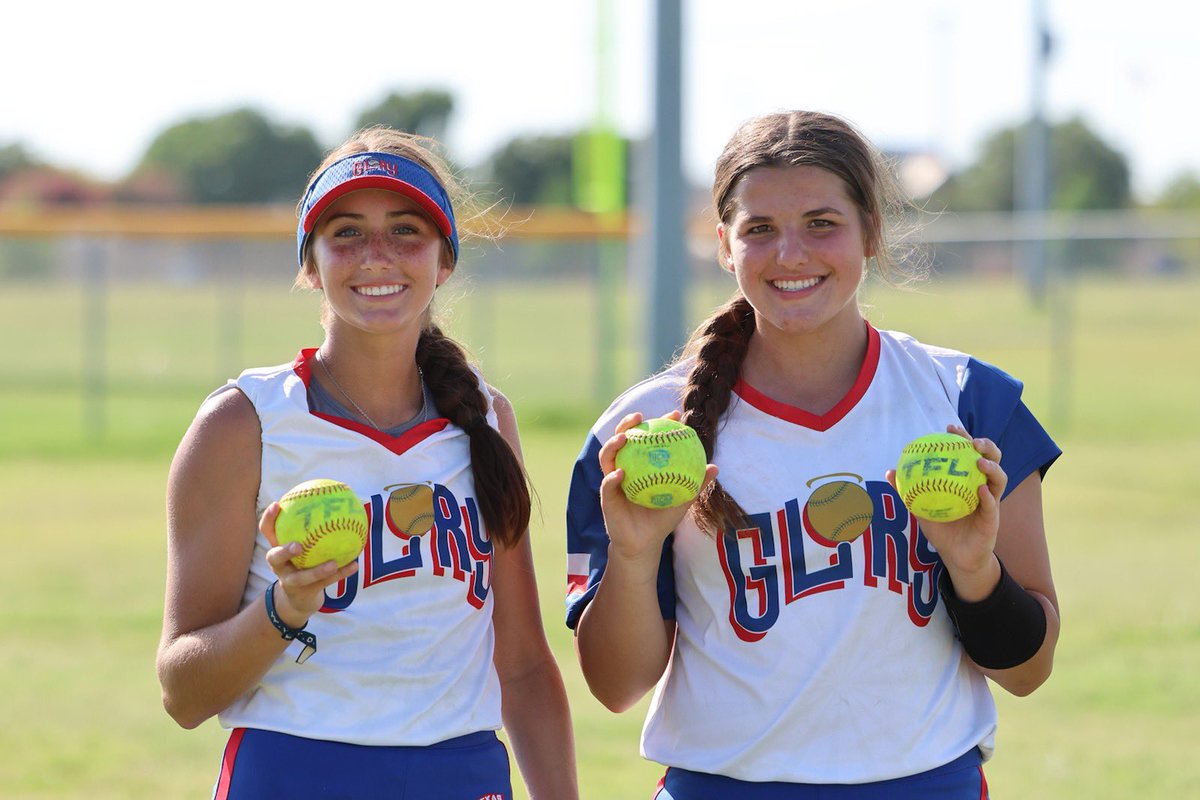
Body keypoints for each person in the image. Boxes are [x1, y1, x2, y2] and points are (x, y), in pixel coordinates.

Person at [566, 110, 1061, 799]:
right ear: (722, 244)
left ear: (871, 231)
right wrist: (634, 553)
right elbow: (615, 686)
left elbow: (1028, 671)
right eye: (760, 229)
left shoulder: (968, 401)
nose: (791, 255)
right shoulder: (646, 429)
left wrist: (973, 566)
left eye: (822, 223)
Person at [157, 126, 578, 800]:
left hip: (461, 774)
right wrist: (286, 605)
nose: (377, 256)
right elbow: (182, 691)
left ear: (444, 261)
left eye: (406, 230)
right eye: (346, 233)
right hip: (296, 772)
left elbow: (524, 667)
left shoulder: (485, 419)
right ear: (309, 264)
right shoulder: (244, 422)